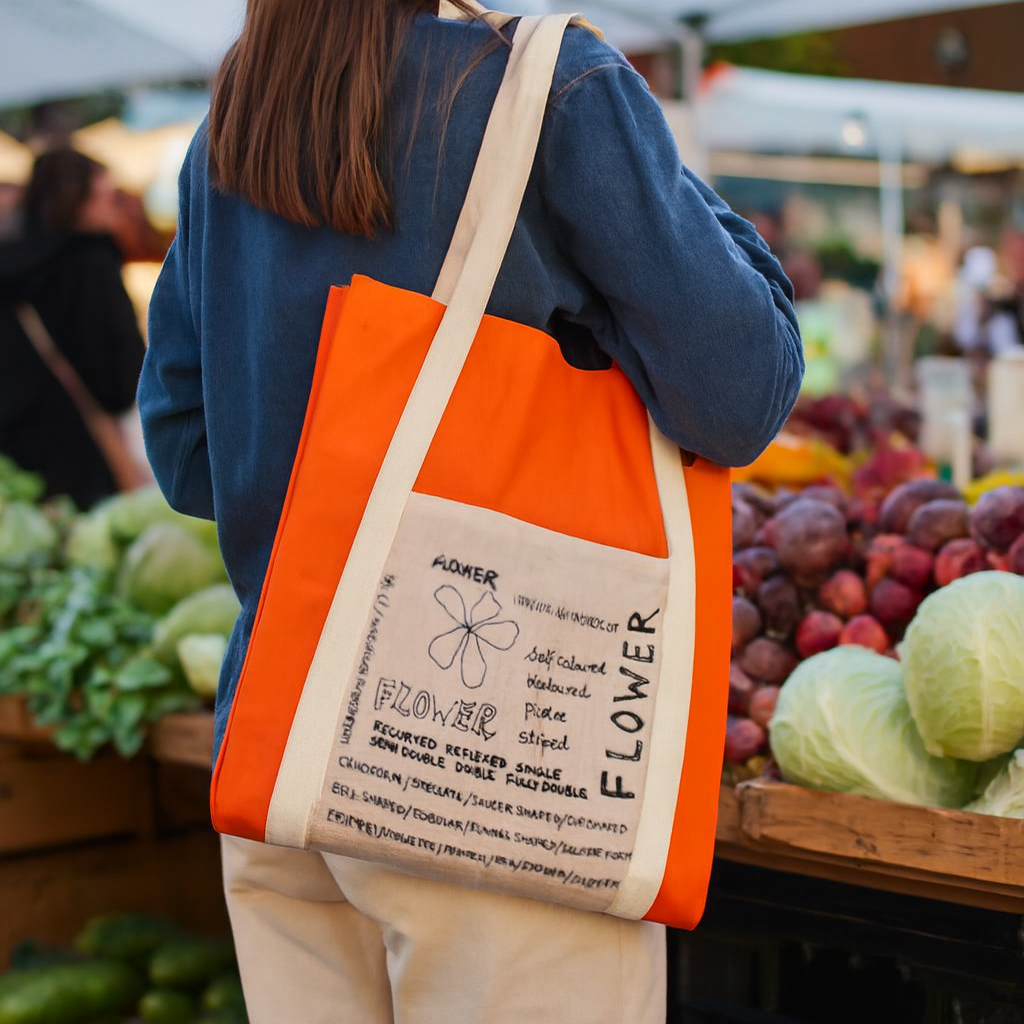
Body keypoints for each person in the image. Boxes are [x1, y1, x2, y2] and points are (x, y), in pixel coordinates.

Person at [137, 2, 804, 1021]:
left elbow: (188, 453)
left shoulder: (237, 121)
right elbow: (737, 392)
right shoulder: (552, 87)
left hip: (288, 757)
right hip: (502, 779)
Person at [0, 147, 146, 509]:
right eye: (105, 197)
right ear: (77, 203)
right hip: (91, 436)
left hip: (23, 442)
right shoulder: (92, 261)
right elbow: (120, 365)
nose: (112, 208)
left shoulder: (15, 264)